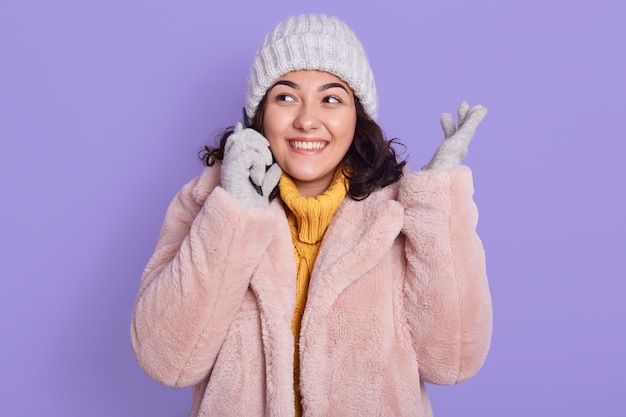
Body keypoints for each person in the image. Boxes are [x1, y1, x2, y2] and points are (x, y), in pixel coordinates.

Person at [131, 13, 492, 417]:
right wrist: (234, 217)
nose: (306, 119)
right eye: (285, 97)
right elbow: (166, 361)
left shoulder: (402, 214)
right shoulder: (206, 204)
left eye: (331, 98)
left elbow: (453, 363)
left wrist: (439, 203)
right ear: (259, 114)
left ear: (358, 117)